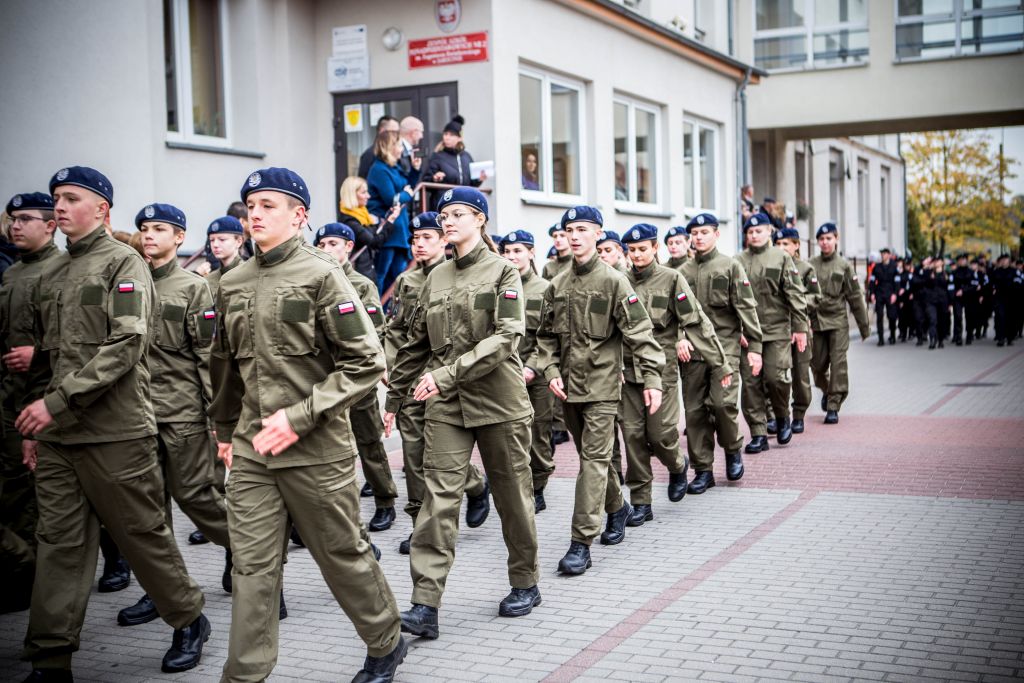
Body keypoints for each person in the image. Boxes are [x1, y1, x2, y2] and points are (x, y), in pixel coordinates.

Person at [209, 167, 406, 682]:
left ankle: (386, 639)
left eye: (268, 205)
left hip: (316, 449)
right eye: (251, 204)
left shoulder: (322, 274)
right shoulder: (231, 283)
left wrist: (298, 417)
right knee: (252, 568)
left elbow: (365, 363)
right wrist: (225, 432)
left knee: (340, 554)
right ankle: (244, 674)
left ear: (299, 216)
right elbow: (225, 366)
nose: (255, 213)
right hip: (253, 449)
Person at [17, 166, 211, 678]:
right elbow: (46, 358)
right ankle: (51, 658)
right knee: (59, 544)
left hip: (116, 431)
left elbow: (127, 343)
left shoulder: (124, 263)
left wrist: (56, 403)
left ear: (101, 209)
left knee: (140, 534)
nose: (59, 206)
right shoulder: (53, 272)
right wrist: (36, 422)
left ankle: (189, 618)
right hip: (59, 437)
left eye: (71, 198)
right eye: (56, 198)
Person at [383, 187, 541, 637]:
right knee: (437, 501)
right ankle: (425, 605)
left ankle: (525, 582)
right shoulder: (435, 277)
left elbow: (507, 336)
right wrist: (394, 400)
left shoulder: (503, 271)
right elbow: (415, 344)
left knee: (513, 498)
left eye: (458, 214)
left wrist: (447, 374)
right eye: (444, 215)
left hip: (499, 402)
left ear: (480, 220)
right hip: (447, 407)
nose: (448, 221)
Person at [115, 203, 235, 627]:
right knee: (150, 511)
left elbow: (207, 358)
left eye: (159, 229)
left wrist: (217, 420)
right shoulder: (128, 284)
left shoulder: (192, 288)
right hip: (136, 415)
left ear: (179, 237)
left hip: (182, 415)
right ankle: (161, 589)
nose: (149, 235)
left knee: (198, 497)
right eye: (144, 228)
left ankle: (250, 555)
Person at [536, 206, 665, 575]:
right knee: (596, 461)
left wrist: (653, 379)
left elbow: (640, 334)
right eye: (570, 230)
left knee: (592, 463)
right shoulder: (557, 285)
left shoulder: (614, 282)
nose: (575, 236)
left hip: (604, 388)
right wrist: (550, 369)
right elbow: (544, 338)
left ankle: (581, 543)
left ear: (598, 233)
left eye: (582, 229)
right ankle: (618, 507)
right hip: (568, 391)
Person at [383, 211, 490, 555]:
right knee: (414, 452)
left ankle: (475, 485)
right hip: (414, 378)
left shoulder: (459, 275)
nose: (419, 244)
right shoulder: (406, 281)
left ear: (444, 240)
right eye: (415, 238)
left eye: (427, 237)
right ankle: (420, 523)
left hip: (446, 378)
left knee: (440, 455)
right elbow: (397, 331)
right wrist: (392, 368)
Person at [620, 224, 730, 525]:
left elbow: (696, 322)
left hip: (661, 371)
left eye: (643, 249)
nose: (637, 255)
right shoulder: (620, 281)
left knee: (661, 435)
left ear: (655, 248)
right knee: (632, 436)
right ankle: (641, 502)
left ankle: (678, 465)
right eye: (632, 250)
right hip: (628, 372)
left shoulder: (671, 279)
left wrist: (719, 363)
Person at [313, 222, 400, 532]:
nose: (326, 250)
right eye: (321, 245)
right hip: (324, 377)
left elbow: (376, 331)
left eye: (333, 244)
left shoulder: (361, 285)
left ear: (349, 247)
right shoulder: (313, 281)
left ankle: (385, 500)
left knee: (368, 441)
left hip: (356, 375)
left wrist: (378, 367)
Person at [0, 193, 62, 614]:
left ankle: (29, 581)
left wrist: (37, 355)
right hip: (10, 396)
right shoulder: (11, 272)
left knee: (30, 495)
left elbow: (77, 338)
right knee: (13, 489)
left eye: (25, 219)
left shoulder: (60, 270)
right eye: (12, 219)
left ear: (49, 225)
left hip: (44, 397)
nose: (15, 226)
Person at [679, 213, 763, 494]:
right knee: (694, 412)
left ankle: (732, 448)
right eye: (695, 233)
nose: (699, 237)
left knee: (722, 404)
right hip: (693, 353)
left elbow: (746, 307)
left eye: (704, 232)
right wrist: (679, 339)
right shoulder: (683, 272)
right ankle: (703, 471)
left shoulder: (730, 266)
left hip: (725, 349)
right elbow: (672, 314)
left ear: (716, 234)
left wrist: (755, 348)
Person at [736, 213, 809, 452]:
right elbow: (731, 300)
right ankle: (758, 433)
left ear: (769, 231)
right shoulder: (737, 261)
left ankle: (782, 415)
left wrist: (800, 328)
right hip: (748, 334)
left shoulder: (781, 258)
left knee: (776, 378)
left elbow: (795, 294)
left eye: (759, 231)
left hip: (777, 330)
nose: (754, 235)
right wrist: (737, 330)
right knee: (751, 385)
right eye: (750, 232)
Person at [499, 230, 554, 512]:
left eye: (517, 251)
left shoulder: (545, 289)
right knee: (508, 435)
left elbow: (549, 336)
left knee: (538, 433)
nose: (511, 257)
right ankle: (517, 485)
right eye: (507, 252)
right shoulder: (497, 287)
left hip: (537, 375)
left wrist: (532, 366)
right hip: (504, 374)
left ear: (531, 253)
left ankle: (538, 485)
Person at [808, 223, 871, 424]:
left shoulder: (844, 266)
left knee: (838, 364)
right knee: (817, 365)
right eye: (821, 239)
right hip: (817, 321)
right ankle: (828, 391)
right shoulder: (811, 265)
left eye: (829, 238)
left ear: (836, 239)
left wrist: (864, 326)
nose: (825, 242)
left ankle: (833, 405)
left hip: (837, 322)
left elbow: (855, 297)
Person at [775, 227, 818, 433]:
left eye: (786, 244)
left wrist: (796, 301)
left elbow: (815, 296)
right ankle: (776, 415)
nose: (781, 248)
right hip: (777, 328)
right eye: (778, 244)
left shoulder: (806, 269)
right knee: (775, 374)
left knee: (800, 374)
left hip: (799, 327)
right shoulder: (771, 265)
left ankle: (799, 414)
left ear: (796, 245)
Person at [367, 130, 415, 293]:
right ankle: (377, 307)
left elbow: (408, 188)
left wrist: (415, 170)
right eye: (400, 145)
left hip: (399, 228)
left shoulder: (394, 168)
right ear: (390, 147)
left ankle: (390, 307)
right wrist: (406, 195)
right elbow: (391, 199)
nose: (402, 149)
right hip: (387, 229)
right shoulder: (379, 169)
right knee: (381, 275)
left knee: (397, 276)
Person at [338, 176, 403, 284]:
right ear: (352, 194)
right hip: (359, 276)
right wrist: (391, 221)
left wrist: (388, 218)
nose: (368, 196)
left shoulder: (362, 214)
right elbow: (375, 242)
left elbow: (372, 233)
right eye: (364, 192)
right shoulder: (350, 221)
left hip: (364, 271)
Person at [423, 115, 484, 211]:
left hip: (464, 204)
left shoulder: (467, 157)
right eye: (445, 134)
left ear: (459, 138)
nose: (447, 137)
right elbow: (426, 180)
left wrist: (479, 179)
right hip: (444, 205)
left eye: (451, 135)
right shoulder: (437, 156)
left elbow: (471, 183)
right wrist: (435, 178)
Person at [868, 248, 898, 346]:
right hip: (879, 293)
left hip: (890, 293)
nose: (883, 255)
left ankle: (892, 335)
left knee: (891, 316)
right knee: (879, 316)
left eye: (884, 254)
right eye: (882, 254)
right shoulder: (877, 267)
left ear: (889, 255)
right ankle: (880, 339)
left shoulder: (894, 266)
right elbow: (872, 281)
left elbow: (897, 281)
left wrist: (895, 294)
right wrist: (872, 293)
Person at [358, 115, 400, 179]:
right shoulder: (370, 155)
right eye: (394, 132)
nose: (397, 135)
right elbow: (363, 181)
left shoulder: (395, 152)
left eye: (398, 132)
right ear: (382, 131)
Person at [991, 254, 1014, 347]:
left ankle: (1009, 338)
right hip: (999, 298)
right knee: (1000, 317)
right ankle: (1001, 338)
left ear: (1009, 260)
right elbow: (992, 282)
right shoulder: (997, 271)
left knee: (1010, 318)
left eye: (1006, 259)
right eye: (1003, 259)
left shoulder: (1013, 271)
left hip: (1011, 298)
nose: (1004, 261)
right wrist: (994, 289)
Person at [397, 116, 425, 185]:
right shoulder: (398, 150)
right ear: (414, 132)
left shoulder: (407, 150)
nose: (422, 136)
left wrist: (415, 168)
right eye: (421, 132)